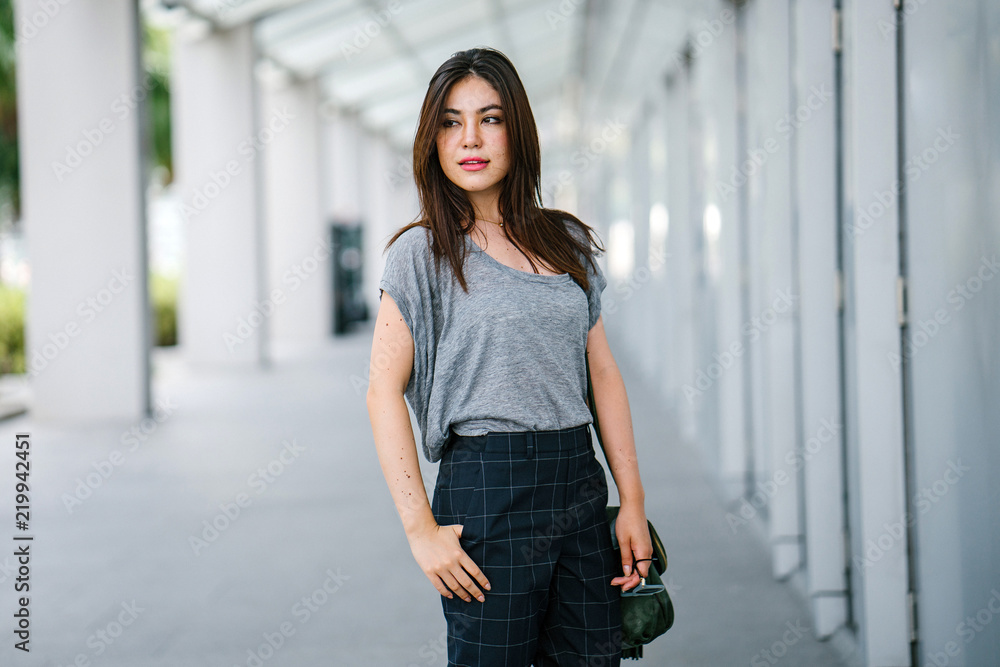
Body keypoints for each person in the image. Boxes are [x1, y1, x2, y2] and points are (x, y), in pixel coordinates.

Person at [366, 47, 652, 667]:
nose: (470, 138)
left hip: (578, 479)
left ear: (517, 130)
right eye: (451, 122)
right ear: (432, 140)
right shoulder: (421, 254)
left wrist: (631, 500)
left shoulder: (566, 239)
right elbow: (381, 391)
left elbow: (602, 374)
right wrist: (419, 529)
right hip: (488, 489)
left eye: (490, 118)